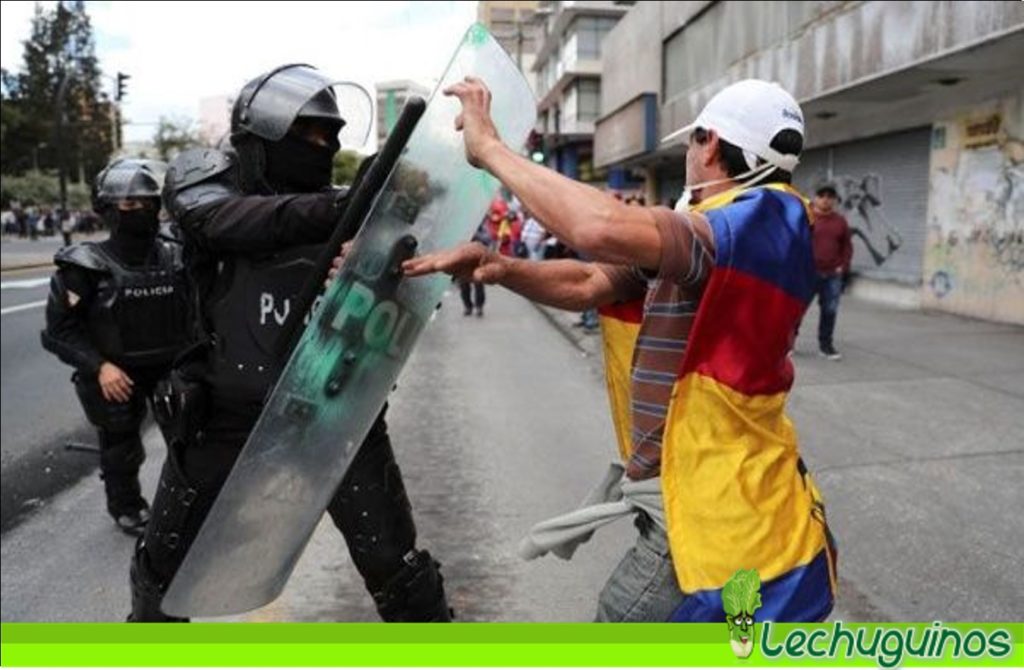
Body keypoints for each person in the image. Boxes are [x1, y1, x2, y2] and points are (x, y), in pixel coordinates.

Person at [405, 78, 836, 622]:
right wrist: (502, 267)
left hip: (707, 500)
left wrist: (490, 149)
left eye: (692, 142)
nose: (687, 154)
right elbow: (590, 281)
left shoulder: (744, 228)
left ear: (708, 143)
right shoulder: (737, 230)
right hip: (700, 487)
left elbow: (596, 227)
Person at [129, 64, 451, 623]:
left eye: (329, 135)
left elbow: (410, 292)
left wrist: (393, 227)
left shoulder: (347, 207)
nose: (322, 146)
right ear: (261, 136)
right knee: (161, 580)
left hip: (333, 409)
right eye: (306, 134)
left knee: (399, 573)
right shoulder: (207, 178)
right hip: (222, 414)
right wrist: (351, 206)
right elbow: (224, 222)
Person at [41, 158, 191, 536]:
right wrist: (99, 366)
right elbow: (59, 331)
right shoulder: (85, 266)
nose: (137, 211)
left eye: (145, 204)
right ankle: (127, 507)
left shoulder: (178, 255)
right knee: (121, 444)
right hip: (115, 371)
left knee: (192, 437)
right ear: (107, 211)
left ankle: (191, 506)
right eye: (126, 206)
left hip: (172, 364)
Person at [811, 183, 853, 360]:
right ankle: (787, 345)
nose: (826, 199)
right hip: (807, 273)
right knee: (796, 310)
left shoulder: (840, 221)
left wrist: (843, 267)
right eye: (822, 195)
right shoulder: (807, 218)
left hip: (832, 275)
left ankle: (826, 346)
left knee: (829, 310)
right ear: (816, 198)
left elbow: (847, 247)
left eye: (830, 196)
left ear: (835, 200)